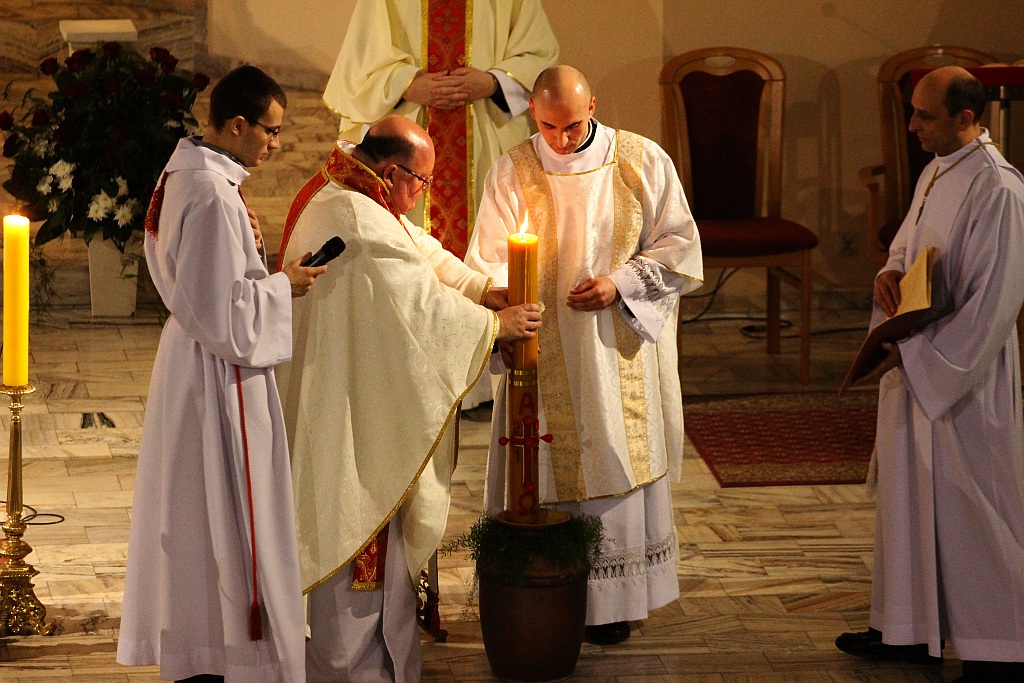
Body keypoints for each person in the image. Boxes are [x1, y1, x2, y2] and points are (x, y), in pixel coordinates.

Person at [275, 115, 543, 682]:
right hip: (348, 411)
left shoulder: (346, 187)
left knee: (368, 532)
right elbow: (416, 301)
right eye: (421, 183)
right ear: (392, 172)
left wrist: (478, 288)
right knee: (354, 518)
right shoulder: (352, 213)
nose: (421, 196)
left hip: (349, 385)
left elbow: (414, 247)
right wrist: (495, 327)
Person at [464, 65, 704, 645]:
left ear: (592, 104)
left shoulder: (641, 161)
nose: (561, 140)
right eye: (547, 127)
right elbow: (487, 260)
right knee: (543, 462)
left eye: (572, 126)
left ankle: (613, 602)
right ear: (532, 116)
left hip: (612, 349)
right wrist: (504, 293)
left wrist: (619, 284)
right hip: (540, 354)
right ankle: (541, 589)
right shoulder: (512, 170)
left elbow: (681, 245)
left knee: (614, 452)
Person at [116, 66, 327, 683]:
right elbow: (221, 316)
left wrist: (262, 272)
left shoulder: (189, 172)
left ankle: (208, 646)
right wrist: (285, 285)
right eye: (271, 130)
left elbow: (211, 287)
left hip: (192, 364)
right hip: (217, 376)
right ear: (237, 125)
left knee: (197, 513)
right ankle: (237, 655)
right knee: (229, 510)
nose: (275, 144)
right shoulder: (208, 193)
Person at [835, 66, 1024, 682]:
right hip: (916, 359)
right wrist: (888, 277)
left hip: (961, 379)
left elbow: (995, 302)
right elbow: (907, 251)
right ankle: (907, 630)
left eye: (925, 116)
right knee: (907, 502)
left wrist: (923, 358)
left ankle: (995, 644)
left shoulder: (999, 189)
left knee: (975, 511)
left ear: (967, 119)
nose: (911, 126)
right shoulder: (938, 168)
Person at [322, 0, 559, 259]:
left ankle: (486, 293)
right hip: (408, 137)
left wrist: (493, 82)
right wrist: (406, 85)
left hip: (483, 133)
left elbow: (539, 54)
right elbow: (361, 59)